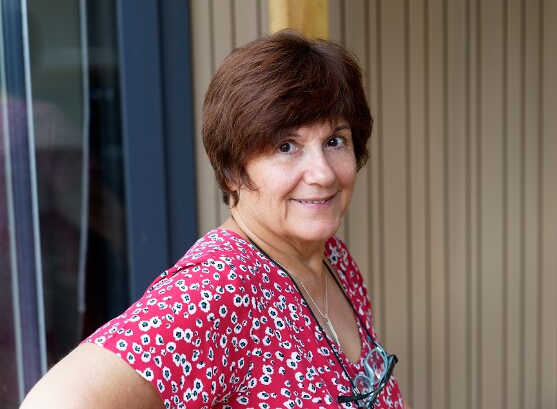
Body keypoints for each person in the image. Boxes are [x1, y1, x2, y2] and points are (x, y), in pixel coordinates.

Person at [22, 30, 407, 409]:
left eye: (334, 141)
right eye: (286, 146)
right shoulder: (220, 288)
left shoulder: (332, 259)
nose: (323, 173)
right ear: (232, 171)